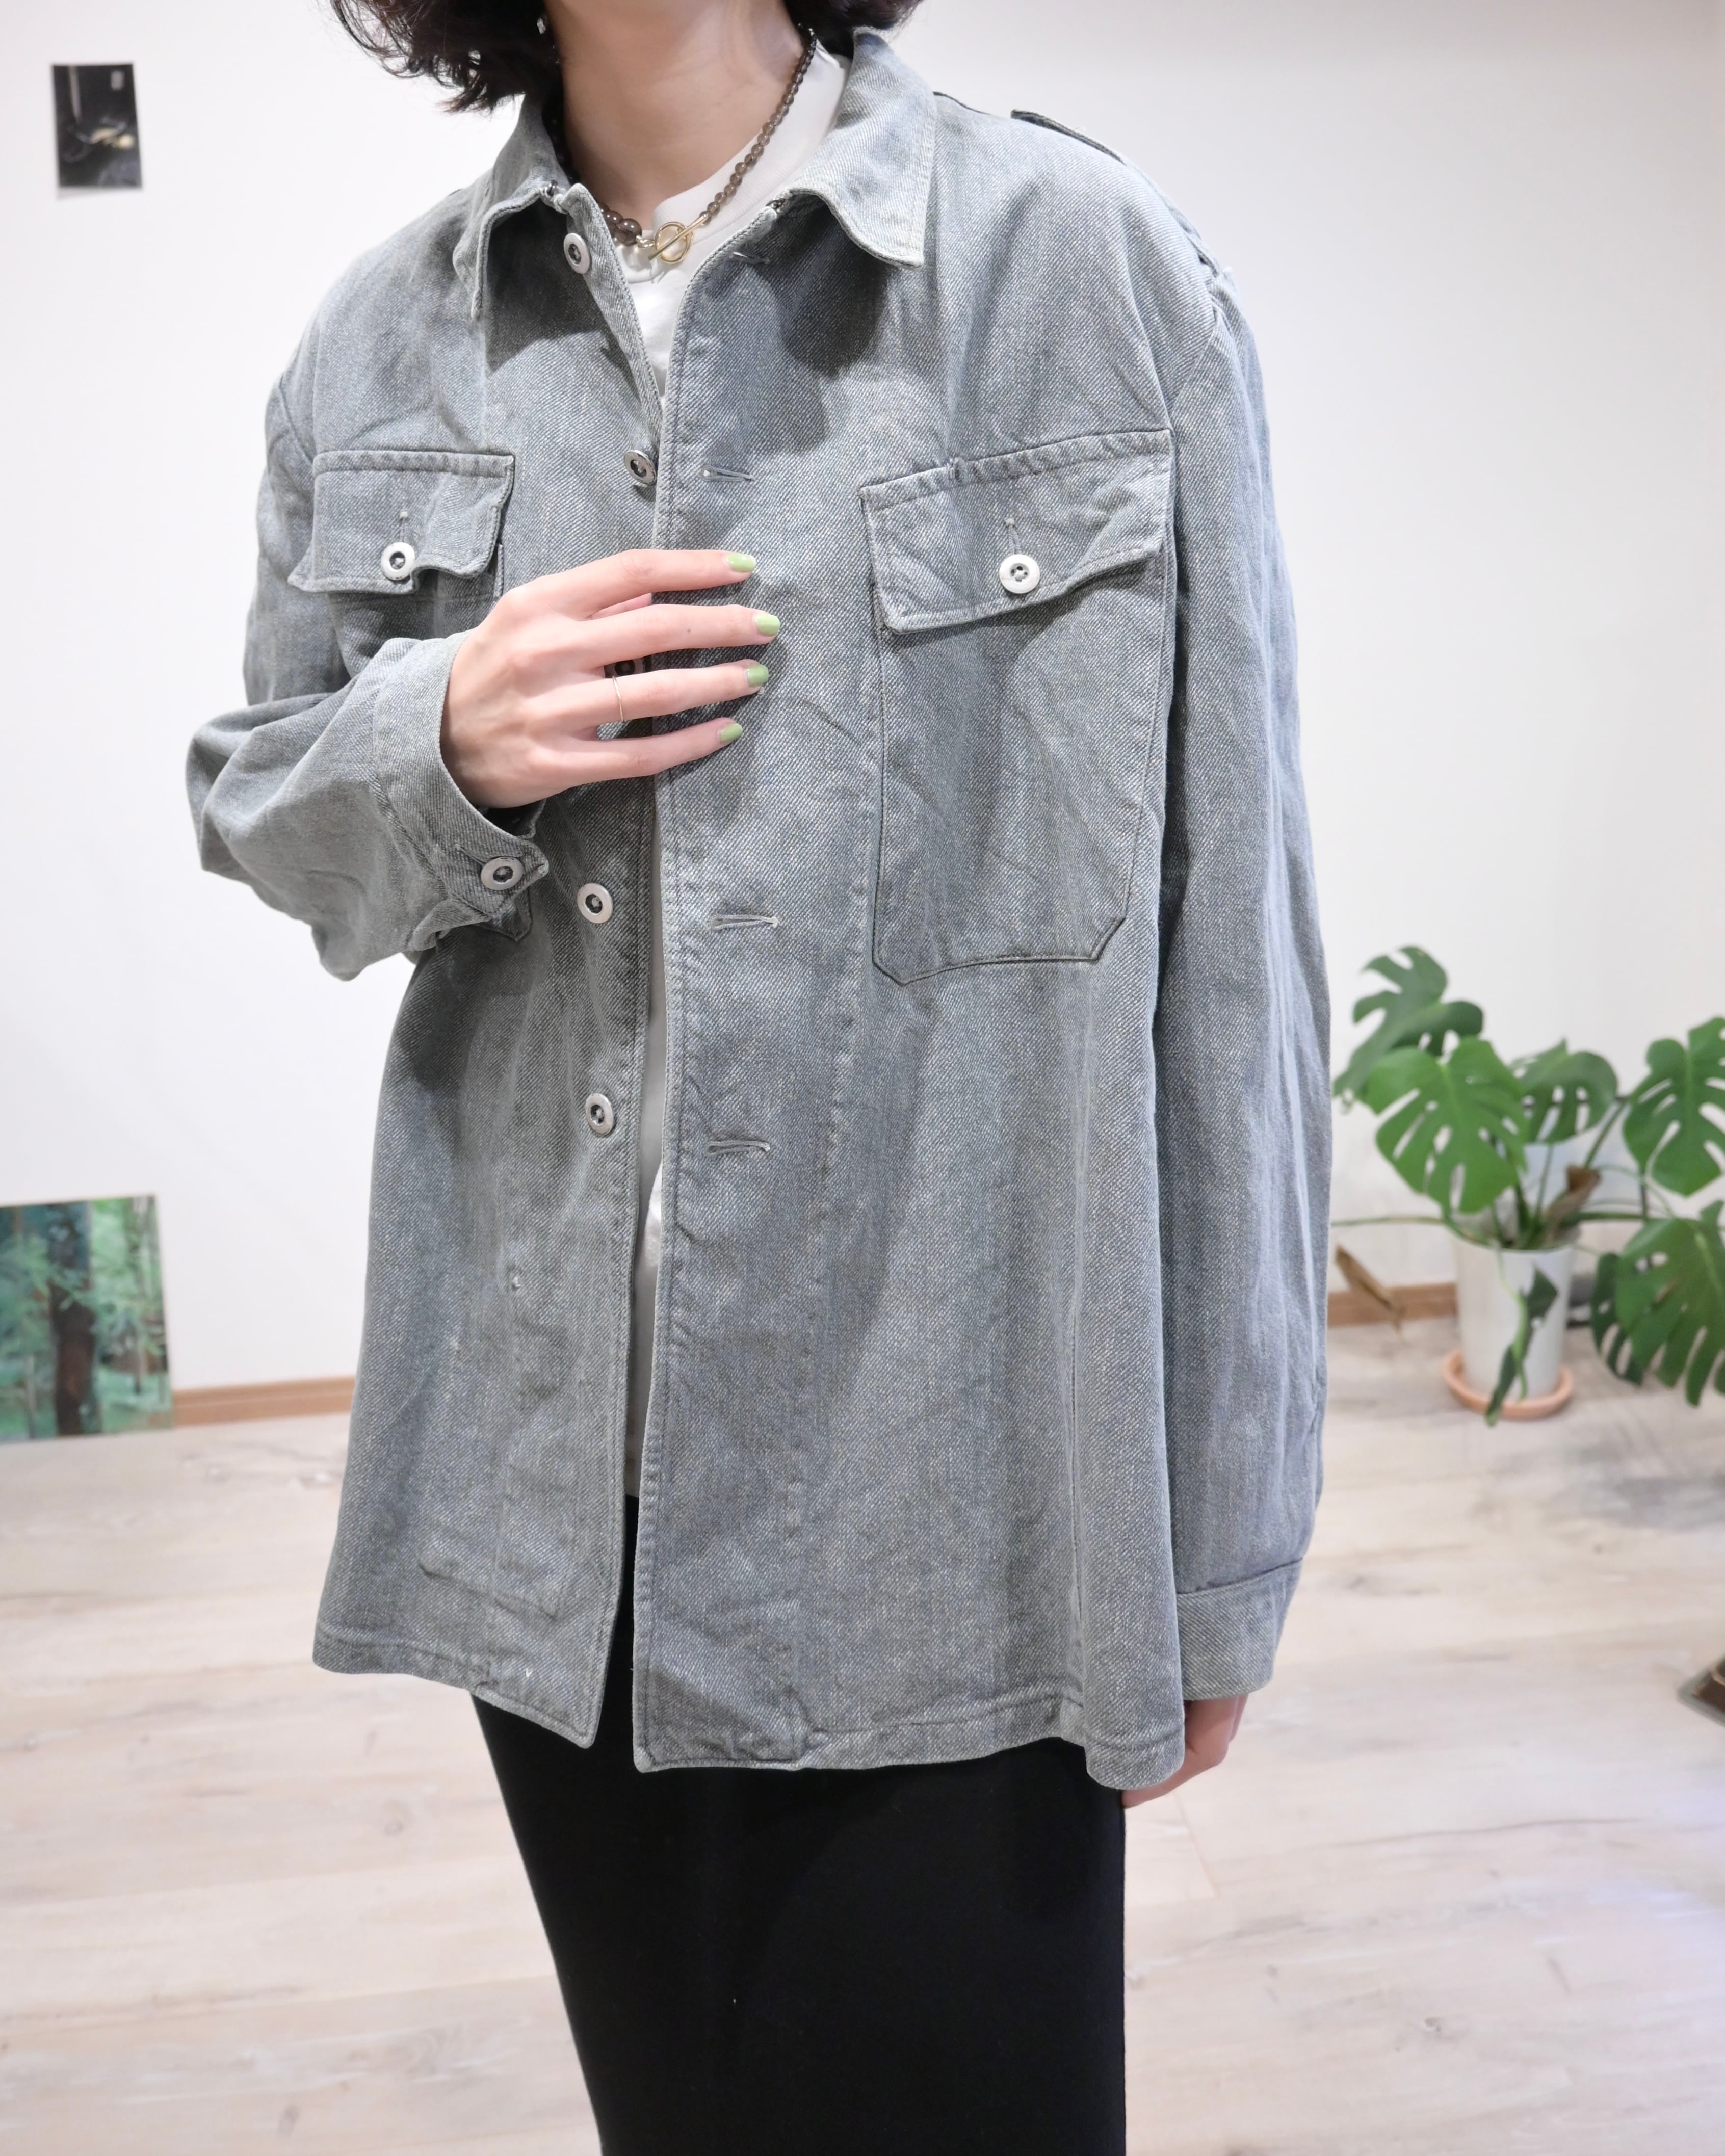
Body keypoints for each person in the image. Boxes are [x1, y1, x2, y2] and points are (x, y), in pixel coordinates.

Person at [187, 0, 1330, 2147]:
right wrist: (442, 733)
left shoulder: (1080, 266)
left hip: (961, 1486)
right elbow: (267, 815)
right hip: (565, 1515)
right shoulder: (383, 339)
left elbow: (1229, 945)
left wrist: (1225, 1538)